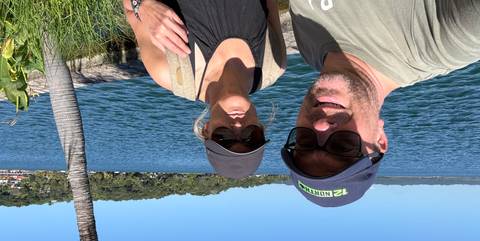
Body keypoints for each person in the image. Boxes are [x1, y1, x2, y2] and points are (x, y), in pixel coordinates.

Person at [282, 0, 480, 207]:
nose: (320, 126)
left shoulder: (309, 47)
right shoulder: (446, 37)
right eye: (343, 145)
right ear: (380, 140)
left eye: (304, 141)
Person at [123, 0, 286, 179]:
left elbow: (130, 10)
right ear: (261, 128)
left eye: (224, 136)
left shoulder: (169, 70)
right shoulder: (274, 62)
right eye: (250, 136)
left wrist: (144, 6)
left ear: (206, 130)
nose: (238, 126)